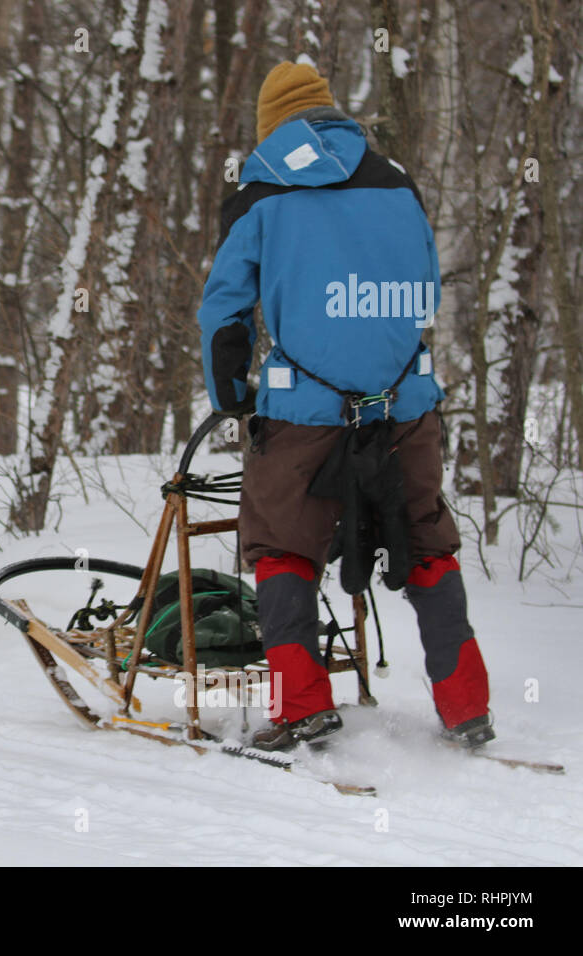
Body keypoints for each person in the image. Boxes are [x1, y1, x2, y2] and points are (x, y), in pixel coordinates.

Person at [196, 61, 492, 752]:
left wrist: (234, 397)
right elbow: (425, 290)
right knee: (426, 540)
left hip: (306, 413)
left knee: (282, 546)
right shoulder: (394, 178)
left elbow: (225, 312)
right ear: (332, 113)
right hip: (405, 402)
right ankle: (466, 705)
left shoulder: (259, 185)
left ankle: (302, 707)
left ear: (273, 124)